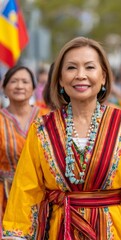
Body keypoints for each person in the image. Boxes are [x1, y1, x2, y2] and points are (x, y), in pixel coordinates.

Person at [2, 37, 121, 240]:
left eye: (89, 67)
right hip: (61, 231)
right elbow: (26, 190)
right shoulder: (42, 129)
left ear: (103, 76)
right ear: (59, 79)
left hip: (115, 232)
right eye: (71, 68)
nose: (81, 75)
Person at [0, 66, 48, 222]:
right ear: (4, 88)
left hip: (43, 196)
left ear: (33, 88)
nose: (19, 86)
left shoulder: (47, 117)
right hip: (5, 197)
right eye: (14, 81)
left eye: (25, 81)